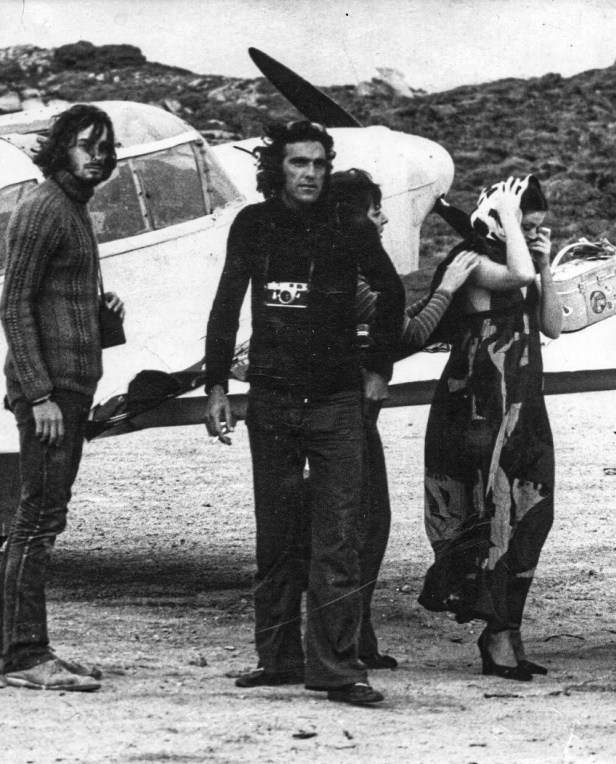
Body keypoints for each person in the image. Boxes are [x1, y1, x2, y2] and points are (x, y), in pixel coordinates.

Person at [203, 122, 405, 706]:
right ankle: (277, 659)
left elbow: (391, 293)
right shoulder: (253, 224)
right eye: (298, 163)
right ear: (277, 168)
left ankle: (337, 669)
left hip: (337, 402)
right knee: (277, 537)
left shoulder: (347, 224)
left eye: (319, 163)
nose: (310, 173)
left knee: (337, 539)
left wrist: (378, 369)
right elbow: (226, 303)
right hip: (272, 399)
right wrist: (217, 386)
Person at [0, 104, 125, 692]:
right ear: (60, 147)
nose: (98, 155)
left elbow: (53, 302)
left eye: (105, 146)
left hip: (69, 388)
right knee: (39, 518)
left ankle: (16, 646)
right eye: (86, 144)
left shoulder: (73, 208)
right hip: (49, 394)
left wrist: (102, 313)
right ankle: (24, 656)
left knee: (38, 514)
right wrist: (39, 395)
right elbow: (13, 305)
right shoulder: (44, 207)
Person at [327, 169, 479, 670]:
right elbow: (406, 335)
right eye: (376, 211)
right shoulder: (351, 273)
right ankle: (352, 636)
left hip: (339, 408)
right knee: (368, 523)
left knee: (361, 522)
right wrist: (448, 289)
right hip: (348, 411)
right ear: (357, 215)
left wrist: (432, 299)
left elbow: (392, 321)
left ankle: (356, 632)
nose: (384, 219)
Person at [418, 175, 563, 682]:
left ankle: (508, 628)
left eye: (539, 227)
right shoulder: (475, 262)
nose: (533, 234)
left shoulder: (519, 263)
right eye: (526, 225)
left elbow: (552, 324)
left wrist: (546, 265)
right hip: (481, 409)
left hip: (522, 407)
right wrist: (509, 217)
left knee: (530, 513)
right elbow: (517, 274)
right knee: (492, 516)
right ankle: (496, 635)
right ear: (500, 220)